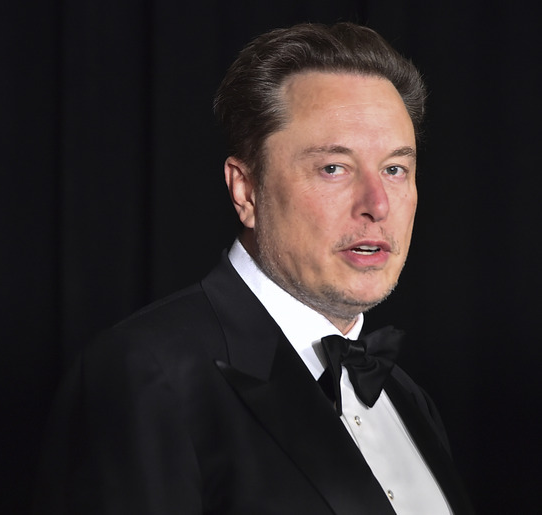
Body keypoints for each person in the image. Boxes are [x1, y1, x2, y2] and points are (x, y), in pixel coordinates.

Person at [34, 22, 473, 514]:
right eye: (334, 167)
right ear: (246, 191)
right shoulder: (142, 374)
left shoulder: (409, 400)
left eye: (395, 169)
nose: (377, 204)